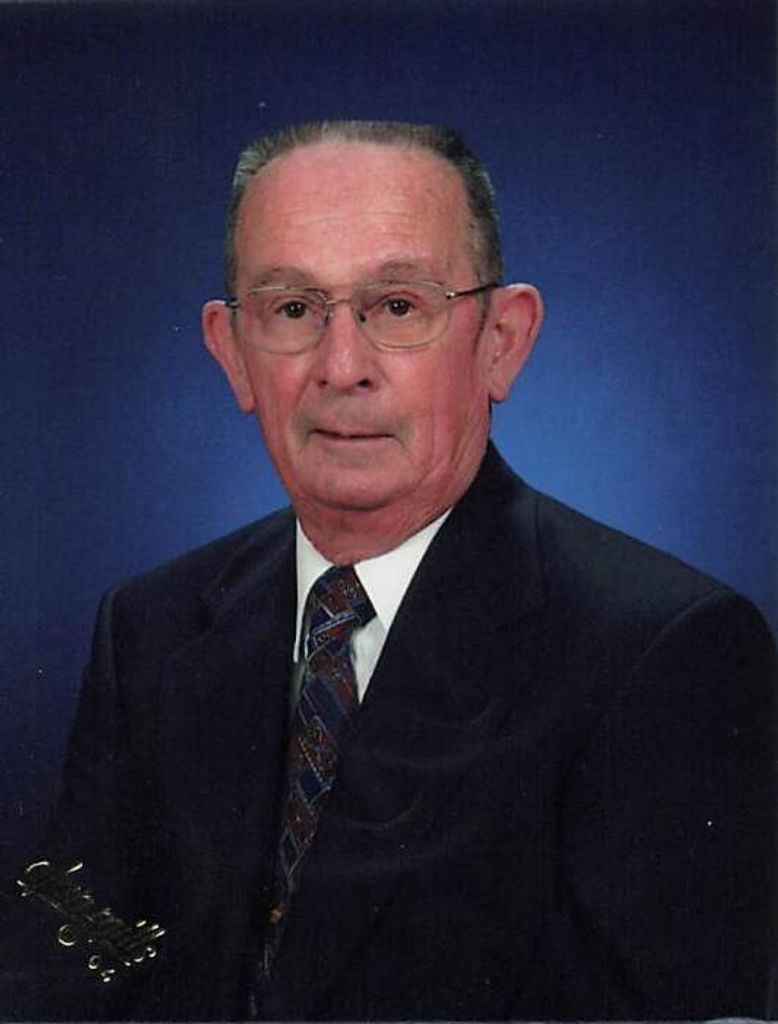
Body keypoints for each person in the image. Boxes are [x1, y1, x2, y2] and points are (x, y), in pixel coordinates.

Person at [2, 120, 775, 1021]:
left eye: (399, 306)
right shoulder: (151, 625)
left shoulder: (663, 652)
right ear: (233, 351)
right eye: (293, 310)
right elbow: (75, 968)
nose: (342, 368)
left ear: (502, 340)